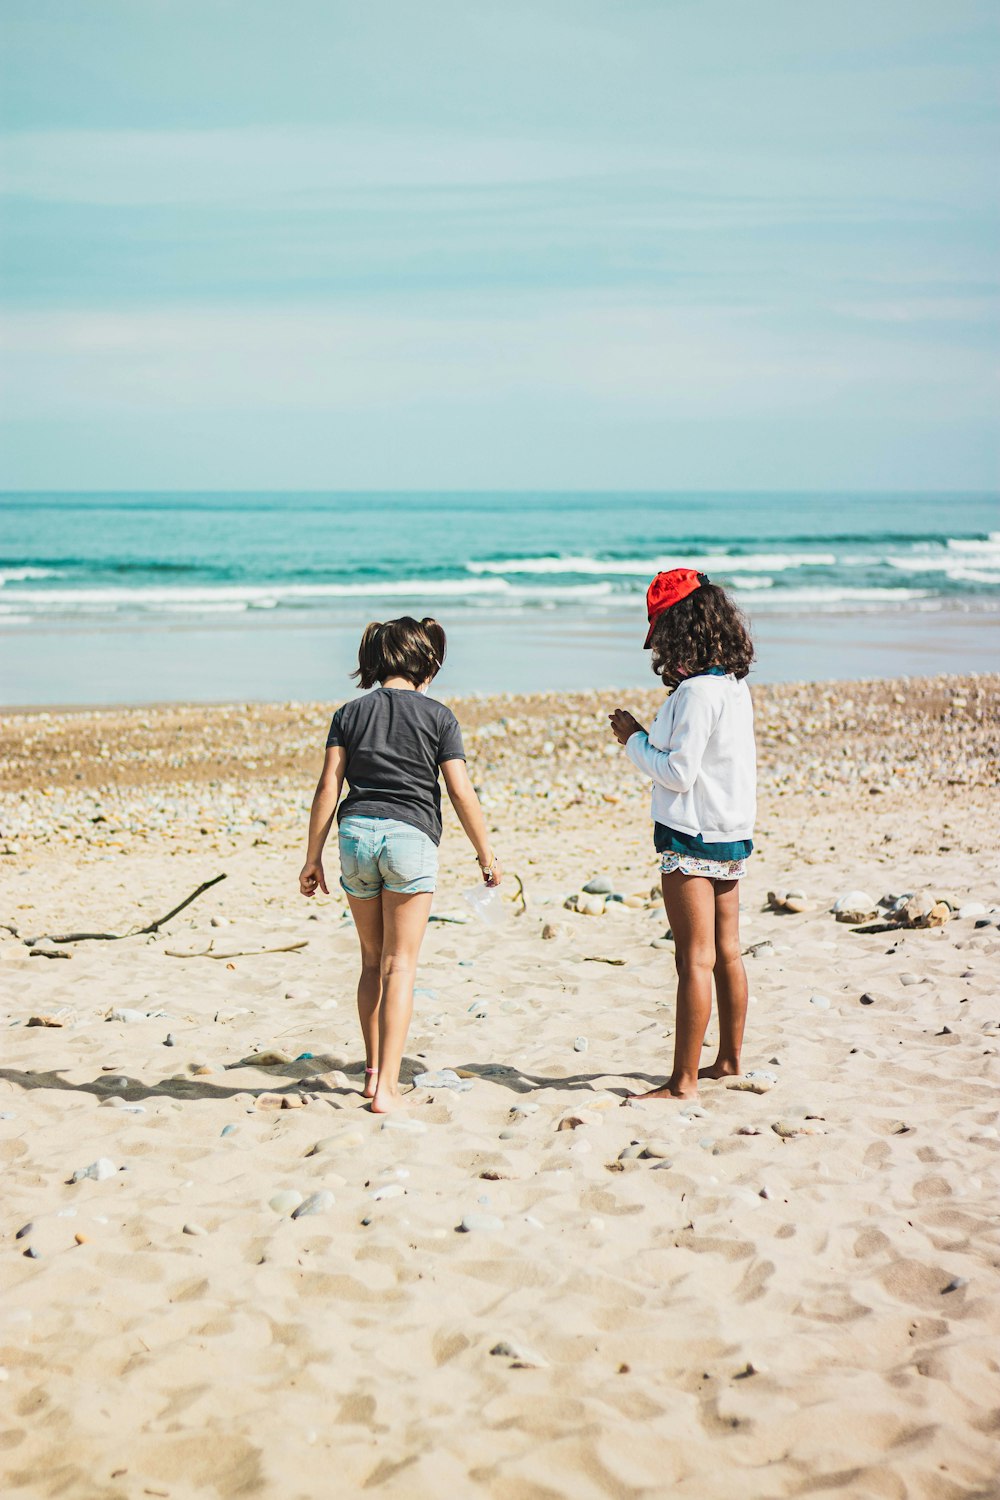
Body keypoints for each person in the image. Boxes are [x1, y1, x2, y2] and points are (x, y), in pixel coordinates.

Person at [299, 616, 501, 1112]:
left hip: (355, 836)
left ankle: (371, 1074)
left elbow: (329, 787)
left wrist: (312, 857)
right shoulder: (438, 716)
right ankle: (388, 1087)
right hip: (409, 838)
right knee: (400, 965)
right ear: (423, 661)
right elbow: (459, 790)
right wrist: (486, 854)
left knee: (371, 961)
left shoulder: (349, 713)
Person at [609, 569, 756, 1101]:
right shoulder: (733, 687)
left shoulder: (694, 693)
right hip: (731, 829)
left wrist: (634, 739)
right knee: (727, 951)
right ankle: (730, 1058)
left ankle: (683, 1082)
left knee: (692, 958)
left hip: (690, 833)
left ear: (680, 631)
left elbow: (677, 772)